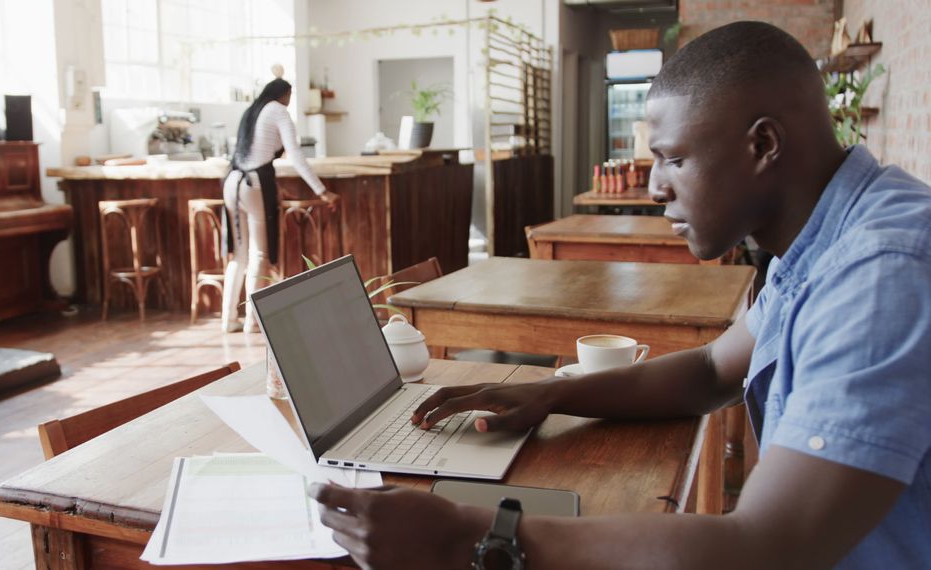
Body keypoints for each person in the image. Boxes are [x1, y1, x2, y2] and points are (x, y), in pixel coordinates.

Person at [309, 21, 931, 569]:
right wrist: (547, 394)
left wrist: (465, 540)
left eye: (673, 158)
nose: (656, 186)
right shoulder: (826, 240)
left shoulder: (880, 275)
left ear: (763, 145)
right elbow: (712, 368)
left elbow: (765, 547)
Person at [221, 77, 339, 333]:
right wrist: (322, 191)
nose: (290, 99)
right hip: (254, 182)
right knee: (259, 254)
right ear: (283, 94)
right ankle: (252, 321)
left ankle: (228, 318)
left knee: (239, 256)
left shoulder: (252, 110)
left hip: (232, 180)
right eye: (290, 94)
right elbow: (295, 154)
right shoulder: (278, 110)